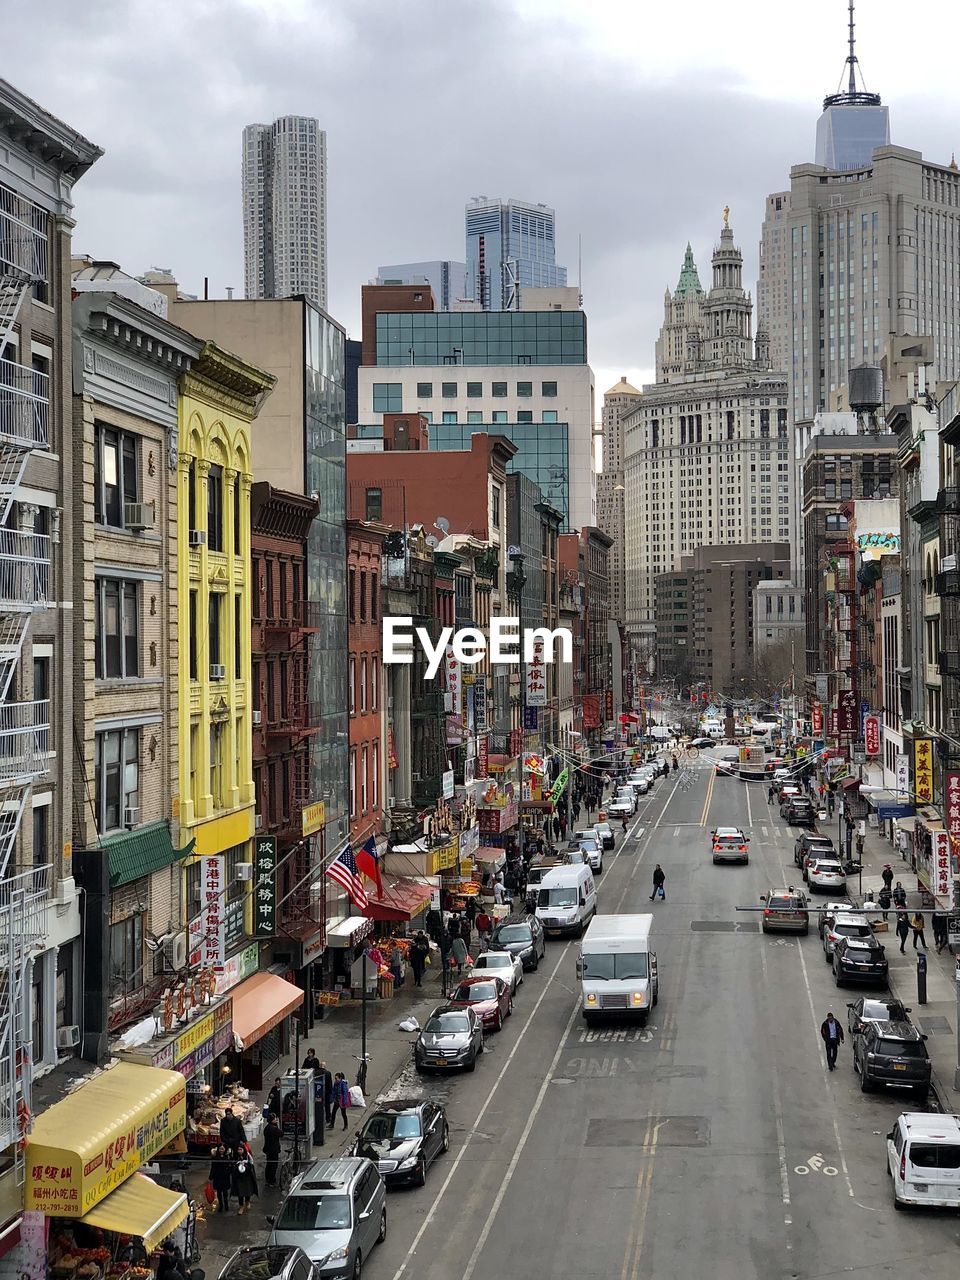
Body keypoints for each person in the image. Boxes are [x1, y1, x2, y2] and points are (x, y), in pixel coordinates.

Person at [233, 1141, 258, 1214]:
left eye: (241, 1149)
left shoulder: (247, 1156)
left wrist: (245, 1166)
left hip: (247, 1177)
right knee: (240, 1193)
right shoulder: (236, 1157)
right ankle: (241, 1206)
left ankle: (247, 1201)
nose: (239, 1151)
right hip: (239, 1178)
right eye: (238, 1150)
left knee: (247, 1191)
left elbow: (251, 1165)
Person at [209, 1143, 233, 1214]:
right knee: (219, 1192)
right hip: (217, 1177)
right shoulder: (215, 1157)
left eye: (222, 1149)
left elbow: (231, 1166)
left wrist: (230, 1172)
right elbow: (213, 1167)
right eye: (220, 1149)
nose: (221, 1150)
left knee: (225, 1192)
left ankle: (226, 1205)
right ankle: (221, 1206)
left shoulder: (228, 1157)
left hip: (225, 1177)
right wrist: (211, 1177)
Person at [262, 1112, 281, 1187]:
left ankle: (268, 1179)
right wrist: (277, 1125)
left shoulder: (267, 1128)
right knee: (273, 1165)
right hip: (274, 1149)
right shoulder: (274, 1128)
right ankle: (272, 1180)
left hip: (268, 1149)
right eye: (275, 1119)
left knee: (269, 1164)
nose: (276, 1120)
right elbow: (281, 1133)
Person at [318, 1060, 334, 1126]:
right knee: (327, 1105)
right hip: (326, 1092)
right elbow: (330, 1083)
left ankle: (319, 1117)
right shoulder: (328, 1073)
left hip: (318, 1091)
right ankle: (328, 1118)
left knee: (319, 1105)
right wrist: (331, 1092)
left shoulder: (317, 1072)